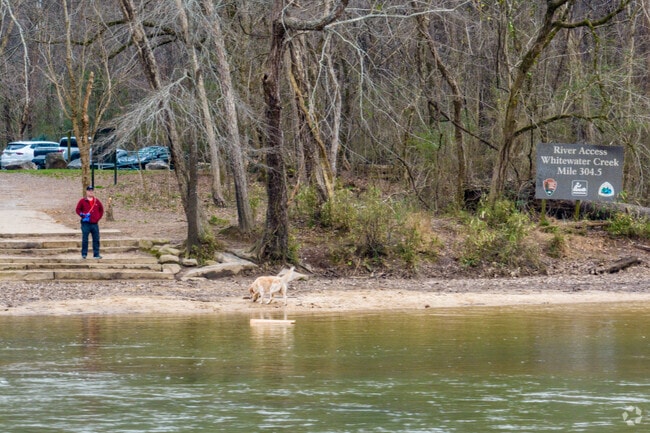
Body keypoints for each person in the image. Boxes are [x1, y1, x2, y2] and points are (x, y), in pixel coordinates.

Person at [75, 185, 104, 259]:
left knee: (96, 239)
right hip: (86, 223)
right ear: (86, 191)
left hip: (94, 223)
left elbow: (101, 210)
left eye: (92, 190)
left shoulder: (97, 201)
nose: (91, 192)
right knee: (85, 239)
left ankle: (96, 254)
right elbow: (77, 209)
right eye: (89, 190)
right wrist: (82, 215)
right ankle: (84, 254)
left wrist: (98, 218)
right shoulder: (82, 201)